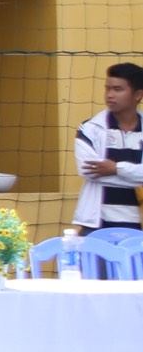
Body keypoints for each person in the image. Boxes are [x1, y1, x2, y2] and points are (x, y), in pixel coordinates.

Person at [73, 61, 143, 235]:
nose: (110, 95)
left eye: (118, 89)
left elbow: (104, 171)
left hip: (138, 226)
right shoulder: (89, 128)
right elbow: (88, 171)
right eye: (107, 89)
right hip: (96, 225)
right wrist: (136, 174)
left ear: (138, 94)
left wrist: (115, 168)